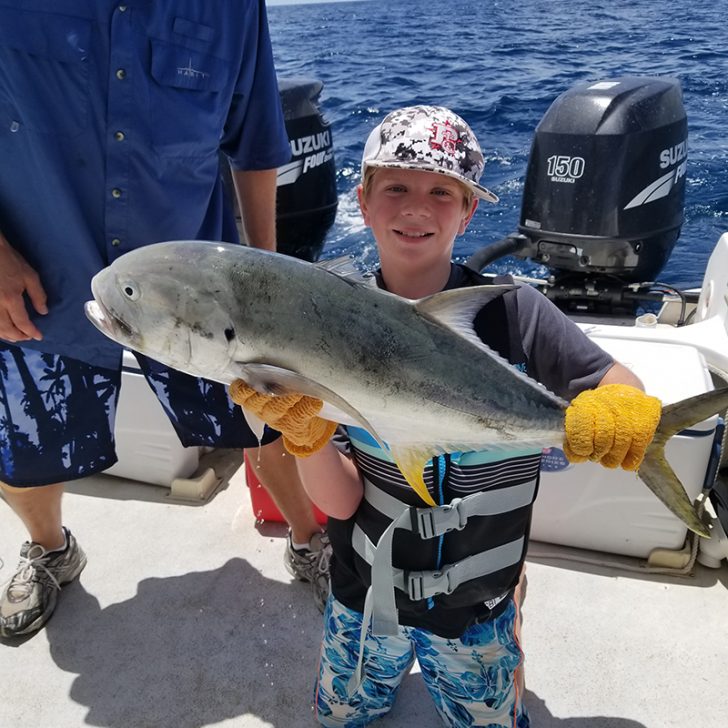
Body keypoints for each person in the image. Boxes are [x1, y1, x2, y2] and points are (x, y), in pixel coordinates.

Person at [230, 106, 662, 727]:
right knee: (340, 717)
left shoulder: (517, 313)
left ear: (468, 211)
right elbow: (344, 503)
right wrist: (308, 440)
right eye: (396, 186)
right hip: (364, 595)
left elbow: (618, 382)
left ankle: (513, 615)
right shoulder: (321, 325)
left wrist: (618, 408)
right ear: (364, 202)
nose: (416, 206)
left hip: (476, 604)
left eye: (441, 191)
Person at [0, 0, 327, 639]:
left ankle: (309, 537)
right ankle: (49, 549)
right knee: (27, 438)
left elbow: (256, 144)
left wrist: (266, 288)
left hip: (196, 296)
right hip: (38, 272)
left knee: (262, 422)